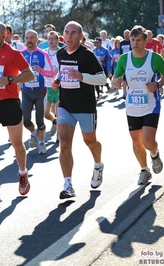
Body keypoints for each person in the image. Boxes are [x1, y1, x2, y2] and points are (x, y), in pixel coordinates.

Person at [0, 21, 34, 205]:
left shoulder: (13, 54)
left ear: (5, 36)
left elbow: (29, 74)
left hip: (10, 104)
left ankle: (22, 172)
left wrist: (10, 79)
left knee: (17, 145)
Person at [51, 21, 107, 199]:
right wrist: (56, 80)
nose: (69, 36)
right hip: (66, 105)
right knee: (65, 143)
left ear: (81, 37)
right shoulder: (60, 53)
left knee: (90, 141)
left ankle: (98, 164)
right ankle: (68, 185)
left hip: (85, 106)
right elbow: (62, 71)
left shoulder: (87, 55)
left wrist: (82, 76)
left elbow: (102, 79)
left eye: (73, 33)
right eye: (66, 32)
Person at [112, 25, 164, 185]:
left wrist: (158, 84)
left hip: (151, 105)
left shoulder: (155, 58)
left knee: (147, 140)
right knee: (136, 141)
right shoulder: (125, 58)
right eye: (133, 39)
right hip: (132, 106)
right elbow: (115, 77)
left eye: (138, 40)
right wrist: (116, 82)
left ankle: (154, 153)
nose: (135, 42)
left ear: (146, 41)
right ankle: (144, 170)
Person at [21, 30, 55, 154]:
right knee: (26, 120)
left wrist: (41, 70)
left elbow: (51, 73)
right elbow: (13, 71)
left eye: (32, 38)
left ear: (37, 40)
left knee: (40, 120)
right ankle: (34, 133)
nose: (29, 40)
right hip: (26, 92)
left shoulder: (43, 54)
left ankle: (41, 143)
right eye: (27, 38)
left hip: (40, 91)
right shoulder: (21, 54)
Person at [44, 31, 61, 143]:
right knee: (46, 114)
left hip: (58, 85)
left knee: (58, 111)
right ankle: (54, 122)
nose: (51, 41)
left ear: (58, 40)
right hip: (47, 84)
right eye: (49, 39)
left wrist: (57, 71)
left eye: (53, 38)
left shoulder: (61, 52)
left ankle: (59, 135)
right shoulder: (45, 53)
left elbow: (65, 66)